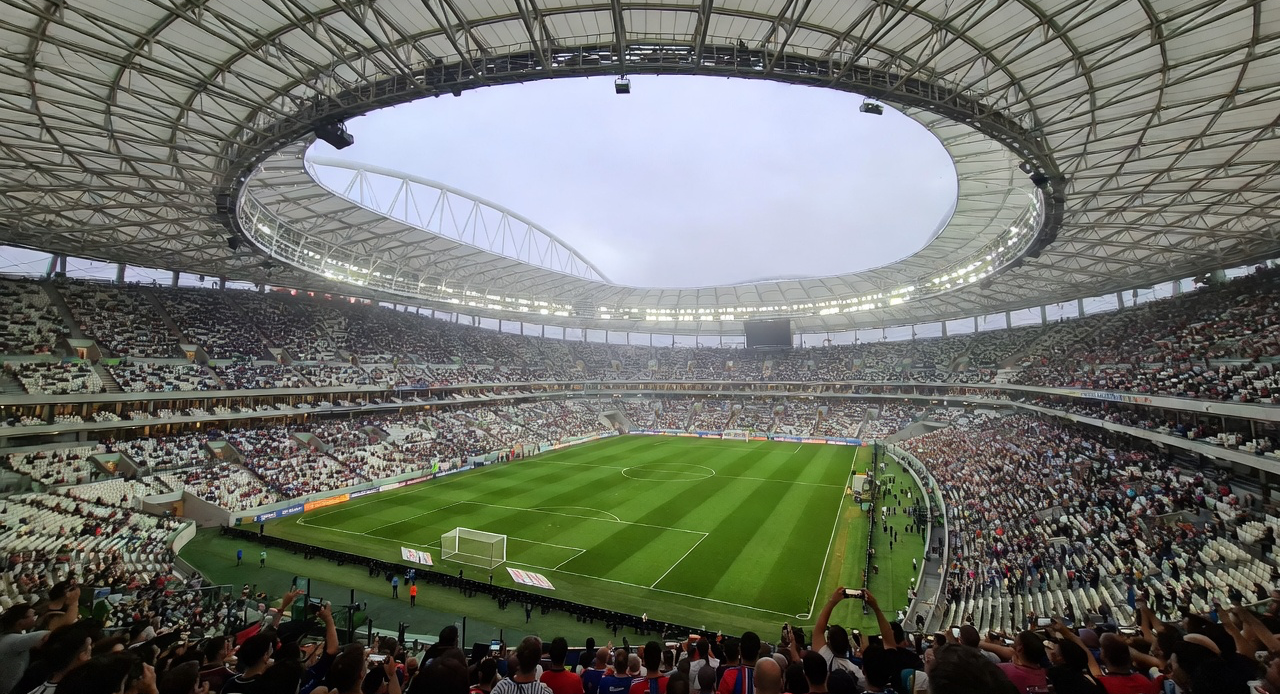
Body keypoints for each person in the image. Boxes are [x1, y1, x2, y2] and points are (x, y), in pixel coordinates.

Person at [0, 587, 80, 694]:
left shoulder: (11, 636)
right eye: (32, 616)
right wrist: (73, 603)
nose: (35, 618)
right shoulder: (15, 640)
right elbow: (53, 632)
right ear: (20, 622)